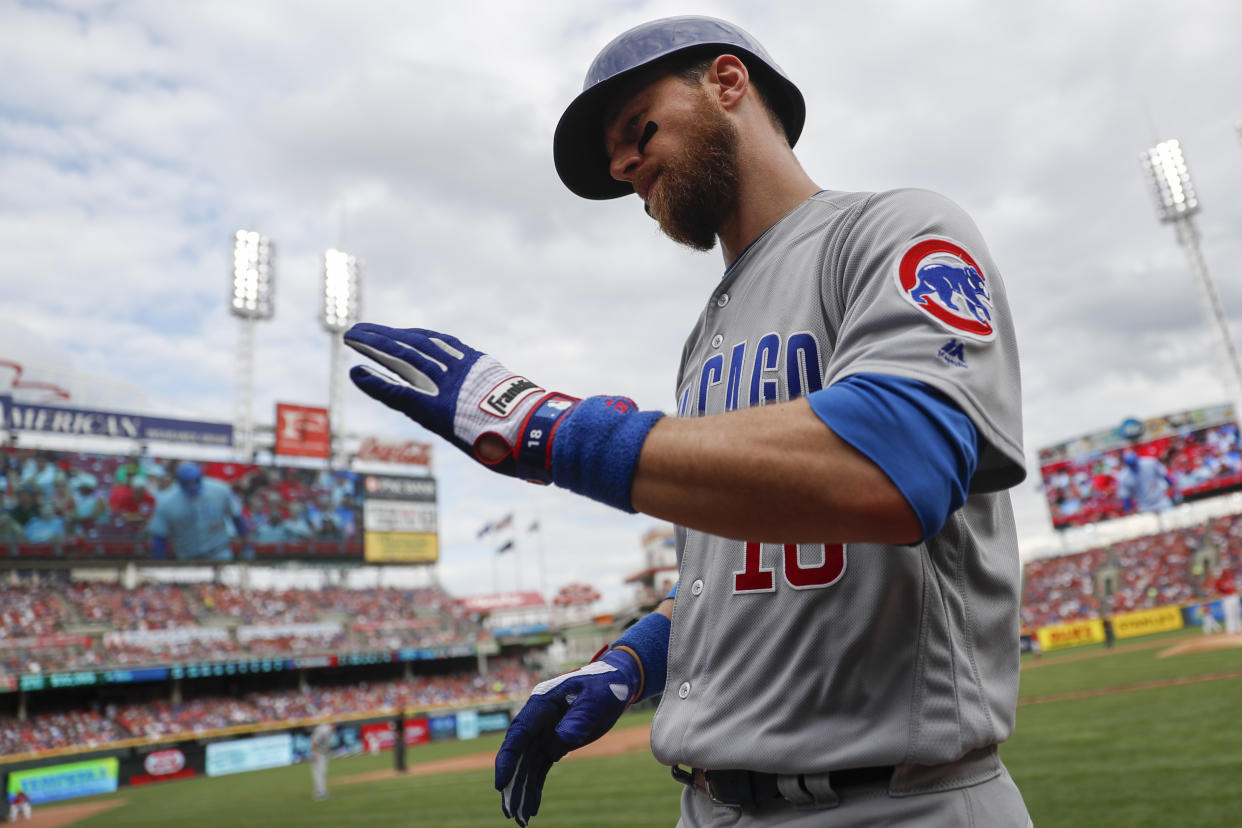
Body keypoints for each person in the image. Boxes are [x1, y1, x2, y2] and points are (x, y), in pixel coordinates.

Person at [345, 15, 1030, 827]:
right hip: (708, 805)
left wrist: (552, 430)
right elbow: (737, 563)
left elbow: (895, 466)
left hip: (893, 801)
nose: (622, 165)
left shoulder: (889, 229)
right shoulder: (703, 339)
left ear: (727, 83)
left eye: (638, 129)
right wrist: (633, 662)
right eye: (615, 156)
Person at [147, 461, 249, 562]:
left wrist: (247, 547)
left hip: (219, 553)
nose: (192, 486)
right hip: (188, 558)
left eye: (195, 482)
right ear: (178, 481)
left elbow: (237, 517)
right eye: (188, 483)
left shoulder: (220, 490)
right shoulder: (167, 501)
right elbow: (159, 536)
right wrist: (160, 563)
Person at [310, 720, 334, 800]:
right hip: (317, 753)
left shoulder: (328, 730)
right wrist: (315, 754)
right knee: (318, 773)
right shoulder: (323, 730)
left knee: (322, 772)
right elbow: (315, 742)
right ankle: (320, 792)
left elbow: (327, 744)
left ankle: (322, 791)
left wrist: (328, 752)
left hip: (322, 753)